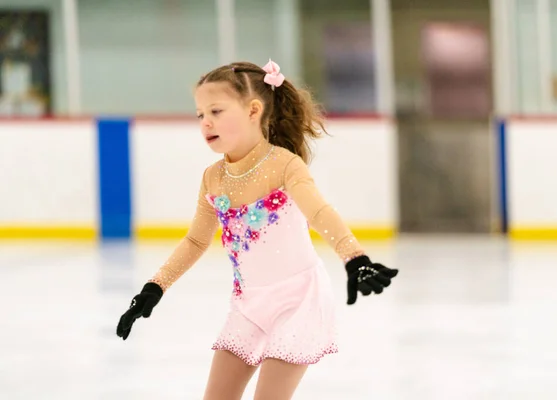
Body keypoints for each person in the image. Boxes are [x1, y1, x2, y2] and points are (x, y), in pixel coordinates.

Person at [116, 59, 398, 400]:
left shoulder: (284, 165)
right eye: (200, 114)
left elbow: (318, 211)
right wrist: (154, 287)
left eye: (217, 111)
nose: (206, 122)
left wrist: (354, 257)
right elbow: (195, 240)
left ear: (253, 110)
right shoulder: (213, 177)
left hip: (299, 302)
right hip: (248, 305)